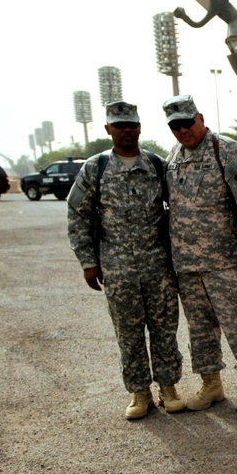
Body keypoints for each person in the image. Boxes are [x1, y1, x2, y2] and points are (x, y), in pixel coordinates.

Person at [66, 101, 185, 420]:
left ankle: (168, 387)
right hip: (118, 271)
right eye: (120, 125)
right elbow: (78, 213)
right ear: (108, 129)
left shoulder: (157, 165)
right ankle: (139, 391)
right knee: (129, 334)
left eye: (132, 124)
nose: (127, 130)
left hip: (158, 267)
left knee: (164, 331)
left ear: (140, 127)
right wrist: (87, 261)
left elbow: (179, 210)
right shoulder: (96, 167)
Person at [162, 94, 237, 416]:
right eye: (175, 126)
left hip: (227, 263)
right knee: (200, 329)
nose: (183, 131)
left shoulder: (228, 151)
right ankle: (212, 385)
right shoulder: (173, 157)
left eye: (187, 123)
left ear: (201, 118)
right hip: (187, 265)